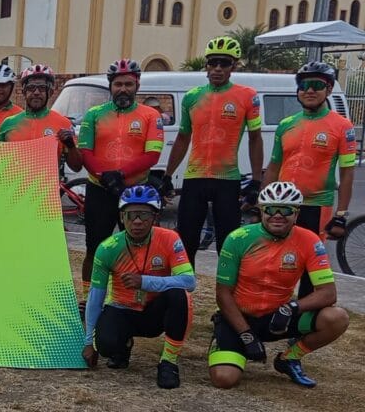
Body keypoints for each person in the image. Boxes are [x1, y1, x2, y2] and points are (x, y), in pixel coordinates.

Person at [208, 181, 349, 389]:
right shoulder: (238, 238)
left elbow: (328, 293)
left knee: (337, 318)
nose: (278, 215)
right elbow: (223, 294)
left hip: (278, 318)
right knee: (224, 379)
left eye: (286, 210)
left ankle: (289, 358)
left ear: (296, 213)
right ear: (262, 210)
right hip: (239, 317)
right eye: (271, 209)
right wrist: (246, 335)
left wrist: (292, 307)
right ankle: (224, 342)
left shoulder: (310, 240)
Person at [82, 185, 194, 389]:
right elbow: (96, 297)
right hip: (123, 309)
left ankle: (168, 362)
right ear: (122, 217)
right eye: (131, 215)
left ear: (155, 217)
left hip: (154, 312)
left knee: (180, 296)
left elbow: (189, 281)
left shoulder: (170, 239)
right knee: (105, 345)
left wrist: (144, 281)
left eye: (144, 215)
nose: (137, 222)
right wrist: (89, 342)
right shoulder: (108, 248)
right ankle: (123, 346)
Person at [163, 37, 263, 264]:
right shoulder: (192, 97)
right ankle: (184, 295)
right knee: (186, 241)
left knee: (228, 244)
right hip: (195, 177)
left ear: (233, 67)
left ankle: (226, 296)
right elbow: (182, 138)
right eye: (213, 62)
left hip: (227, 179)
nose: (218, 68)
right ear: (206, 65)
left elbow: (255, 139)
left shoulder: (247, 96)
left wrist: (256, 181)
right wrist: (168, 175)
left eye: (224, 63)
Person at [75, 59, 164, 308]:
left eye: (128, 84)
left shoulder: (150, 116)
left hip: (134, 192)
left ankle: (126, 298)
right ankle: (87, 297)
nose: (123, 89)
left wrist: (120, 175)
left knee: (134, 246)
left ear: (137, 85)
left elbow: (152, 155)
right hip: (99, 189)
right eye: (117, 84)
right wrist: (105, 177)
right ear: (110, 86)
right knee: (94, 246)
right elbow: (85, 152)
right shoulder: (94, 115)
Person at [263, 61, 355, 296]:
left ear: (329, 89)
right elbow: (273, 167)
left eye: (317, 85)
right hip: (282, 206)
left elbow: (346, 173)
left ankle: (303, 321)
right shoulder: (286, 125)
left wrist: (341, 214)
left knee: (310, 267)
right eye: (304, 85)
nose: (310, 90)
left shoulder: (342, 126)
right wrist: (261, 203)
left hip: (316, 205)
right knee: (275, 261)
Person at [0, 64, 75, 158]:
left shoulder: (64, 123)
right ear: (24, 92)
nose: (36, 92)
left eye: (42, 88)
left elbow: (76, 167)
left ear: (50, 92)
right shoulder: (8, 123)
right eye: (31, 88)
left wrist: (71, 147)